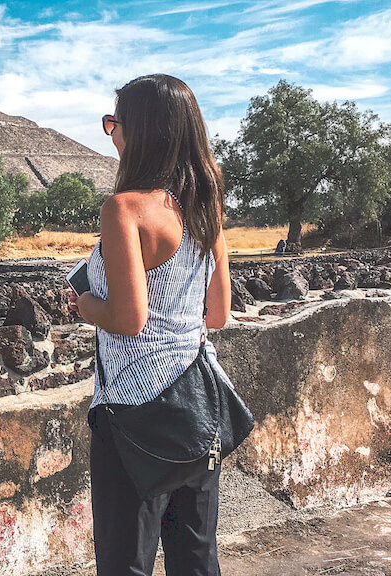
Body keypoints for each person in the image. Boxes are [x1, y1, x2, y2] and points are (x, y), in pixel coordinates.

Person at [68, 74, 233, 575]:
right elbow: (218, 314)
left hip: (131, 412)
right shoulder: (206, 209)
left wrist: (83, 305)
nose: (110, 133)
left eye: (114, 123)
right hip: (197, 406)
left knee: (124, 562)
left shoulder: (124, 209)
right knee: (197, 557)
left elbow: (128, 318)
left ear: (140, 132)